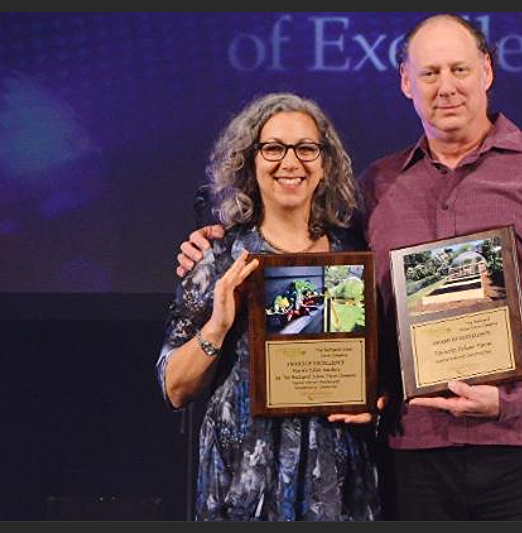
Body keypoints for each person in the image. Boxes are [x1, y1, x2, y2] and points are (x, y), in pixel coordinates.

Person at [177, 14, 522, 521]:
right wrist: (216, 241)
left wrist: (514, 396)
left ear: (487, 72)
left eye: (459, 70)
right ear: (406, 81)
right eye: (429, 73)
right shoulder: (377, 187)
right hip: (414, 455)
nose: (445, 87)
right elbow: (349, 294)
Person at [157, 92, 380, 521]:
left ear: (325, 163)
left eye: (306, 148)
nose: (290, 163)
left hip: (335, 479)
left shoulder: (354, 257)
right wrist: (217, 328)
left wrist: (374, 400)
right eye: (273, 148)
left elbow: (377, 373)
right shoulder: (219, 257)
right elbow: (174, 389)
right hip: (244, 480)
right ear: (250, 161)